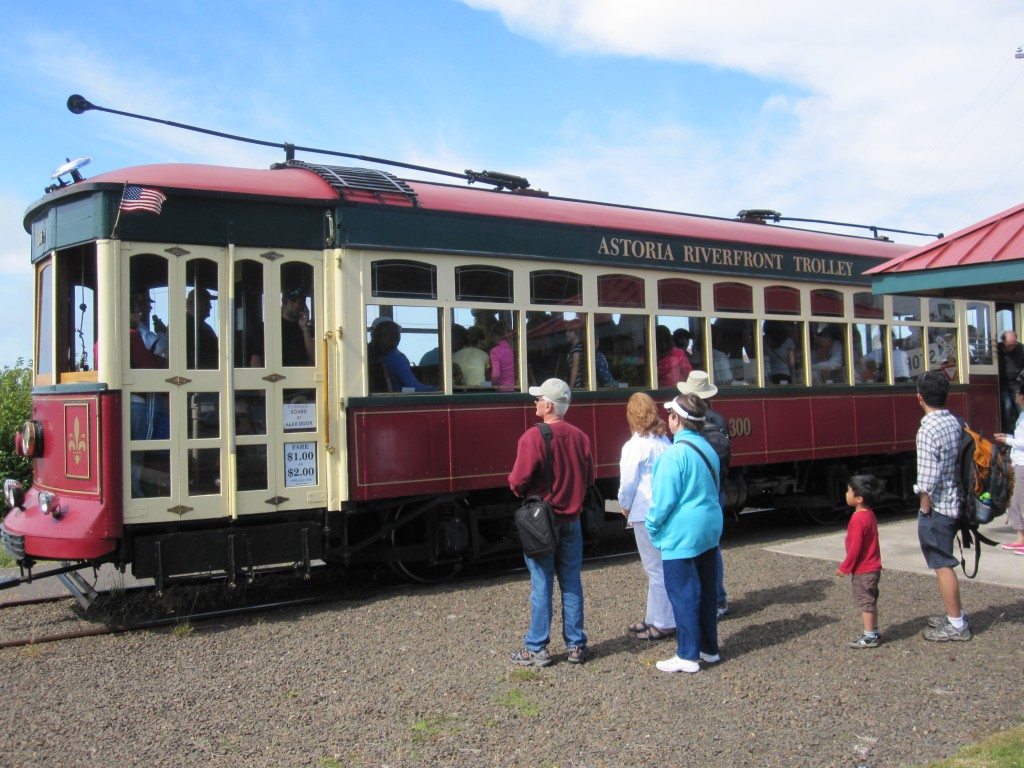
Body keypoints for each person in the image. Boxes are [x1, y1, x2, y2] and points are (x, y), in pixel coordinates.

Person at [508, 378, 595, 666]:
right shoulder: (581, 437)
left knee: (541, 584)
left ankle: (537, 648)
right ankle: (576, 645)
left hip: (541, 522)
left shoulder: (532, 437)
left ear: (548, 405)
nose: (534, 403)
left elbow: (517, 481)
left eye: (538, 399)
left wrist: (524, 490)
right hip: (572, 519)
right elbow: (590, 478)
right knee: (571, 583)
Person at [647, 393, 722, 673]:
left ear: (677, 419)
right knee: (707, 591)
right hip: (710, 528)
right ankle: (709, 648)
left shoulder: (673, 455)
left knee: (683, 594)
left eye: (671, 415)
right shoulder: (708, 449)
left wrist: (653, 528)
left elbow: (663, 502)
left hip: (682, 534)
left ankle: (687, 655)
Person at [914, 370, 971, 642]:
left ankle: (957, 624)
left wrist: (925, 508)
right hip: (958, 501)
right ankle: (952, 613)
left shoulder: (928, 428)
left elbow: (927, 480)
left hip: (939, 506)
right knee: (944, 562)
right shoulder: (956, 421)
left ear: (920, 398)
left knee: (942, 564)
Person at [618, 393, 674, 641]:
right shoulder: (665, 441)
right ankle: (653, 617)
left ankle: (663, 623)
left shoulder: (634, 446)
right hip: (666, 510)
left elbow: (628, 483)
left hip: (644, 512)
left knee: (655, 569)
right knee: (661, 567)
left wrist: (624, 506)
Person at [677, 371, 731, 617]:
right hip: (716, 491)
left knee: (692, 550)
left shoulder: (691, 424)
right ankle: (718, 600)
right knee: (712, 548)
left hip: (694, 495)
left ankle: (703, 601)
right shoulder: (719, 419)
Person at [836, 475, 884, 649]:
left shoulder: (858, 519)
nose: (845, 494)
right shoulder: (869, 514)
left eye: (849, 491)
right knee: (871, 601)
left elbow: (856, 547)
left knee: (865, 602)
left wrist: (845, 567)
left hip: (863, 569)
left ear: (859, 499)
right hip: (873, 566)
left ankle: (869, 635)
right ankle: (874, 630)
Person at [994, 381, 1024, 553]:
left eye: (1018, 392)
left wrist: (1008, 440)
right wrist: (1008, 436)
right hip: (1018, 461)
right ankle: (1020, 538)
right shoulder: (1021, 415)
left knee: (1017, 501)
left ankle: (1022, 538)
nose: (1015, 395)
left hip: (1022, 463)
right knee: (1015, 501)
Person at [368, 319, 437, 392]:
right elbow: (414, 387)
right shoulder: (395, 358)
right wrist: (440, 389)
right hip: (402, 396)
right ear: (395, 337)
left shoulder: (378, 357)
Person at [280, 286, 316, 366]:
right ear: (285, 301)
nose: (297, 305)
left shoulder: (306, 329)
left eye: (300, 302)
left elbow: (314, 358)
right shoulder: (274, 326)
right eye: (293, 301)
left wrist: (305, 329)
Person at [185, 287, 219, 369]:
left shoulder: (203, 326)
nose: (210, 307)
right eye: (207, 302)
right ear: (196, 303)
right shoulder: (183, 326)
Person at [997, 331, 1024, 431]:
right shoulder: (997, 349)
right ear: (1003, 341)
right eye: (1009, 345)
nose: (1012, 347)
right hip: (1002, 383)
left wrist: (1021, 377)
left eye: (1014, 345)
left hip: (1016, 384)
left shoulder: (1021, 349)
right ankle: (1006, 433)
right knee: (1006, 406)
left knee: (1021, 409)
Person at [489, 321, 515, 390]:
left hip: (501, 391)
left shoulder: (495, 351)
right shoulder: (513, 349)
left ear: (495, 335)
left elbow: (496, 375)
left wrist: (491, 385)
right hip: (515, 388)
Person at [565, 321, 586, 388]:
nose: (566, 333)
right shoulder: (578, 348)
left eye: (569, 331)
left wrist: (570, 388)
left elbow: (575, 370)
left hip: (577, 385)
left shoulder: (576, 350)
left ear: (576, 332)